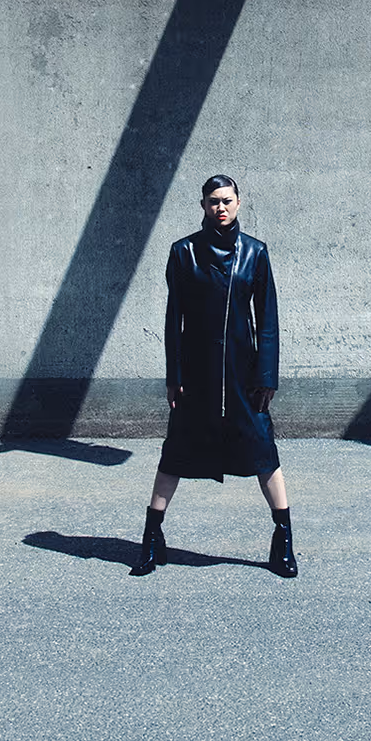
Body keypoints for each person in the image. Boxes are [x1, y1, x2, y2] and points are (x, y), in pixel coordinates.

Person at [132, 174, 296, 578]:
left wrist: (267, 375)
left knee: (263, 452)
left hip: (244, 377)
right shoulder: (183, 252)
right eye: (213, 202)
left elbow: (268, 320)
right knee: (175, 453)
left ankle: (284, 541)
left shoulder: (256, 253)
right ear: (203, 205)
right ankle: (152, 538)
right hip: (197, 376)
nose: (220, 208)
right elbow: (174, 321)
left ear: (239, 202)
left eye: (227, 200)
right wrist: (174, 375)